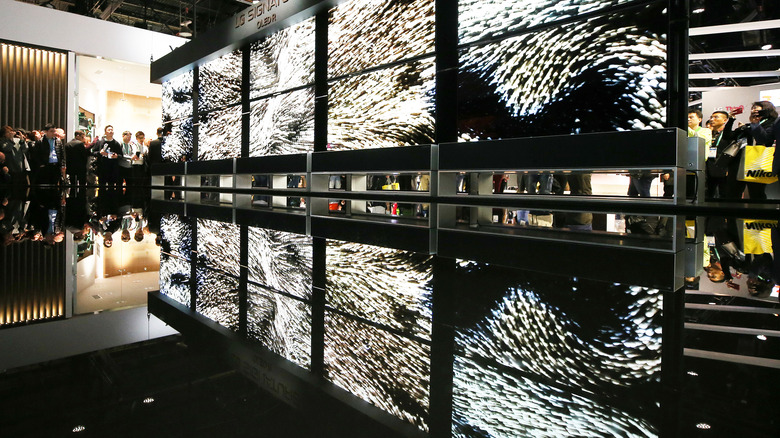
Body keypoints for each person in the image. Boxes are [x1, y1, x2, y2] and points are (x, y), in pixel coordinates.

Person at [707, 110, 739, 199]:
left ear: (725, 120)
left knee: (724, 194)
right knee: (708, 195)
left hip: (723, 169)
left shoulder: (728, 135)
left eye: (716, 117)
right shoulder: (707, 133)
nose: (712, 119)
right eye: (711, 117)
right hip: (708, 168)